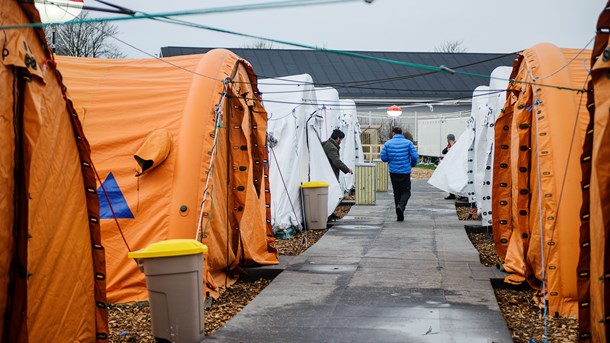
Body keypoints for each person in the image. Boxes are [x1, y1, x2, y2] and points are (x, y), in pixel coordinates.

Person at [380, 127, 419, 221]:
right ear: (402, 133)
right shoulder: (408, 143)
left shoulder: (388, 143)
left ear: (393, 133)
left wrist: (390, 160)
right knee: (406, 192)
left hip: (393, 172)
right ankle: (401, 206)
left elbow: (383, 157)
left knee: (396, 193)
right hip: (405, 172)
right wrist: (412, 165)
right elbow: (414, 156)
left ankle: (399, 215)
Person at [442, 133, 456, 200]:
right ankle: (451, 194)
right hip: (451, 166)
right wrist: (448, 148)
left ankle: (457, 194)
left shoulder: (456, 145)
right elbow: (443, 152)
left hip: (455, 165)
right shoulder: (448, 146)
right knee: (450, 180)